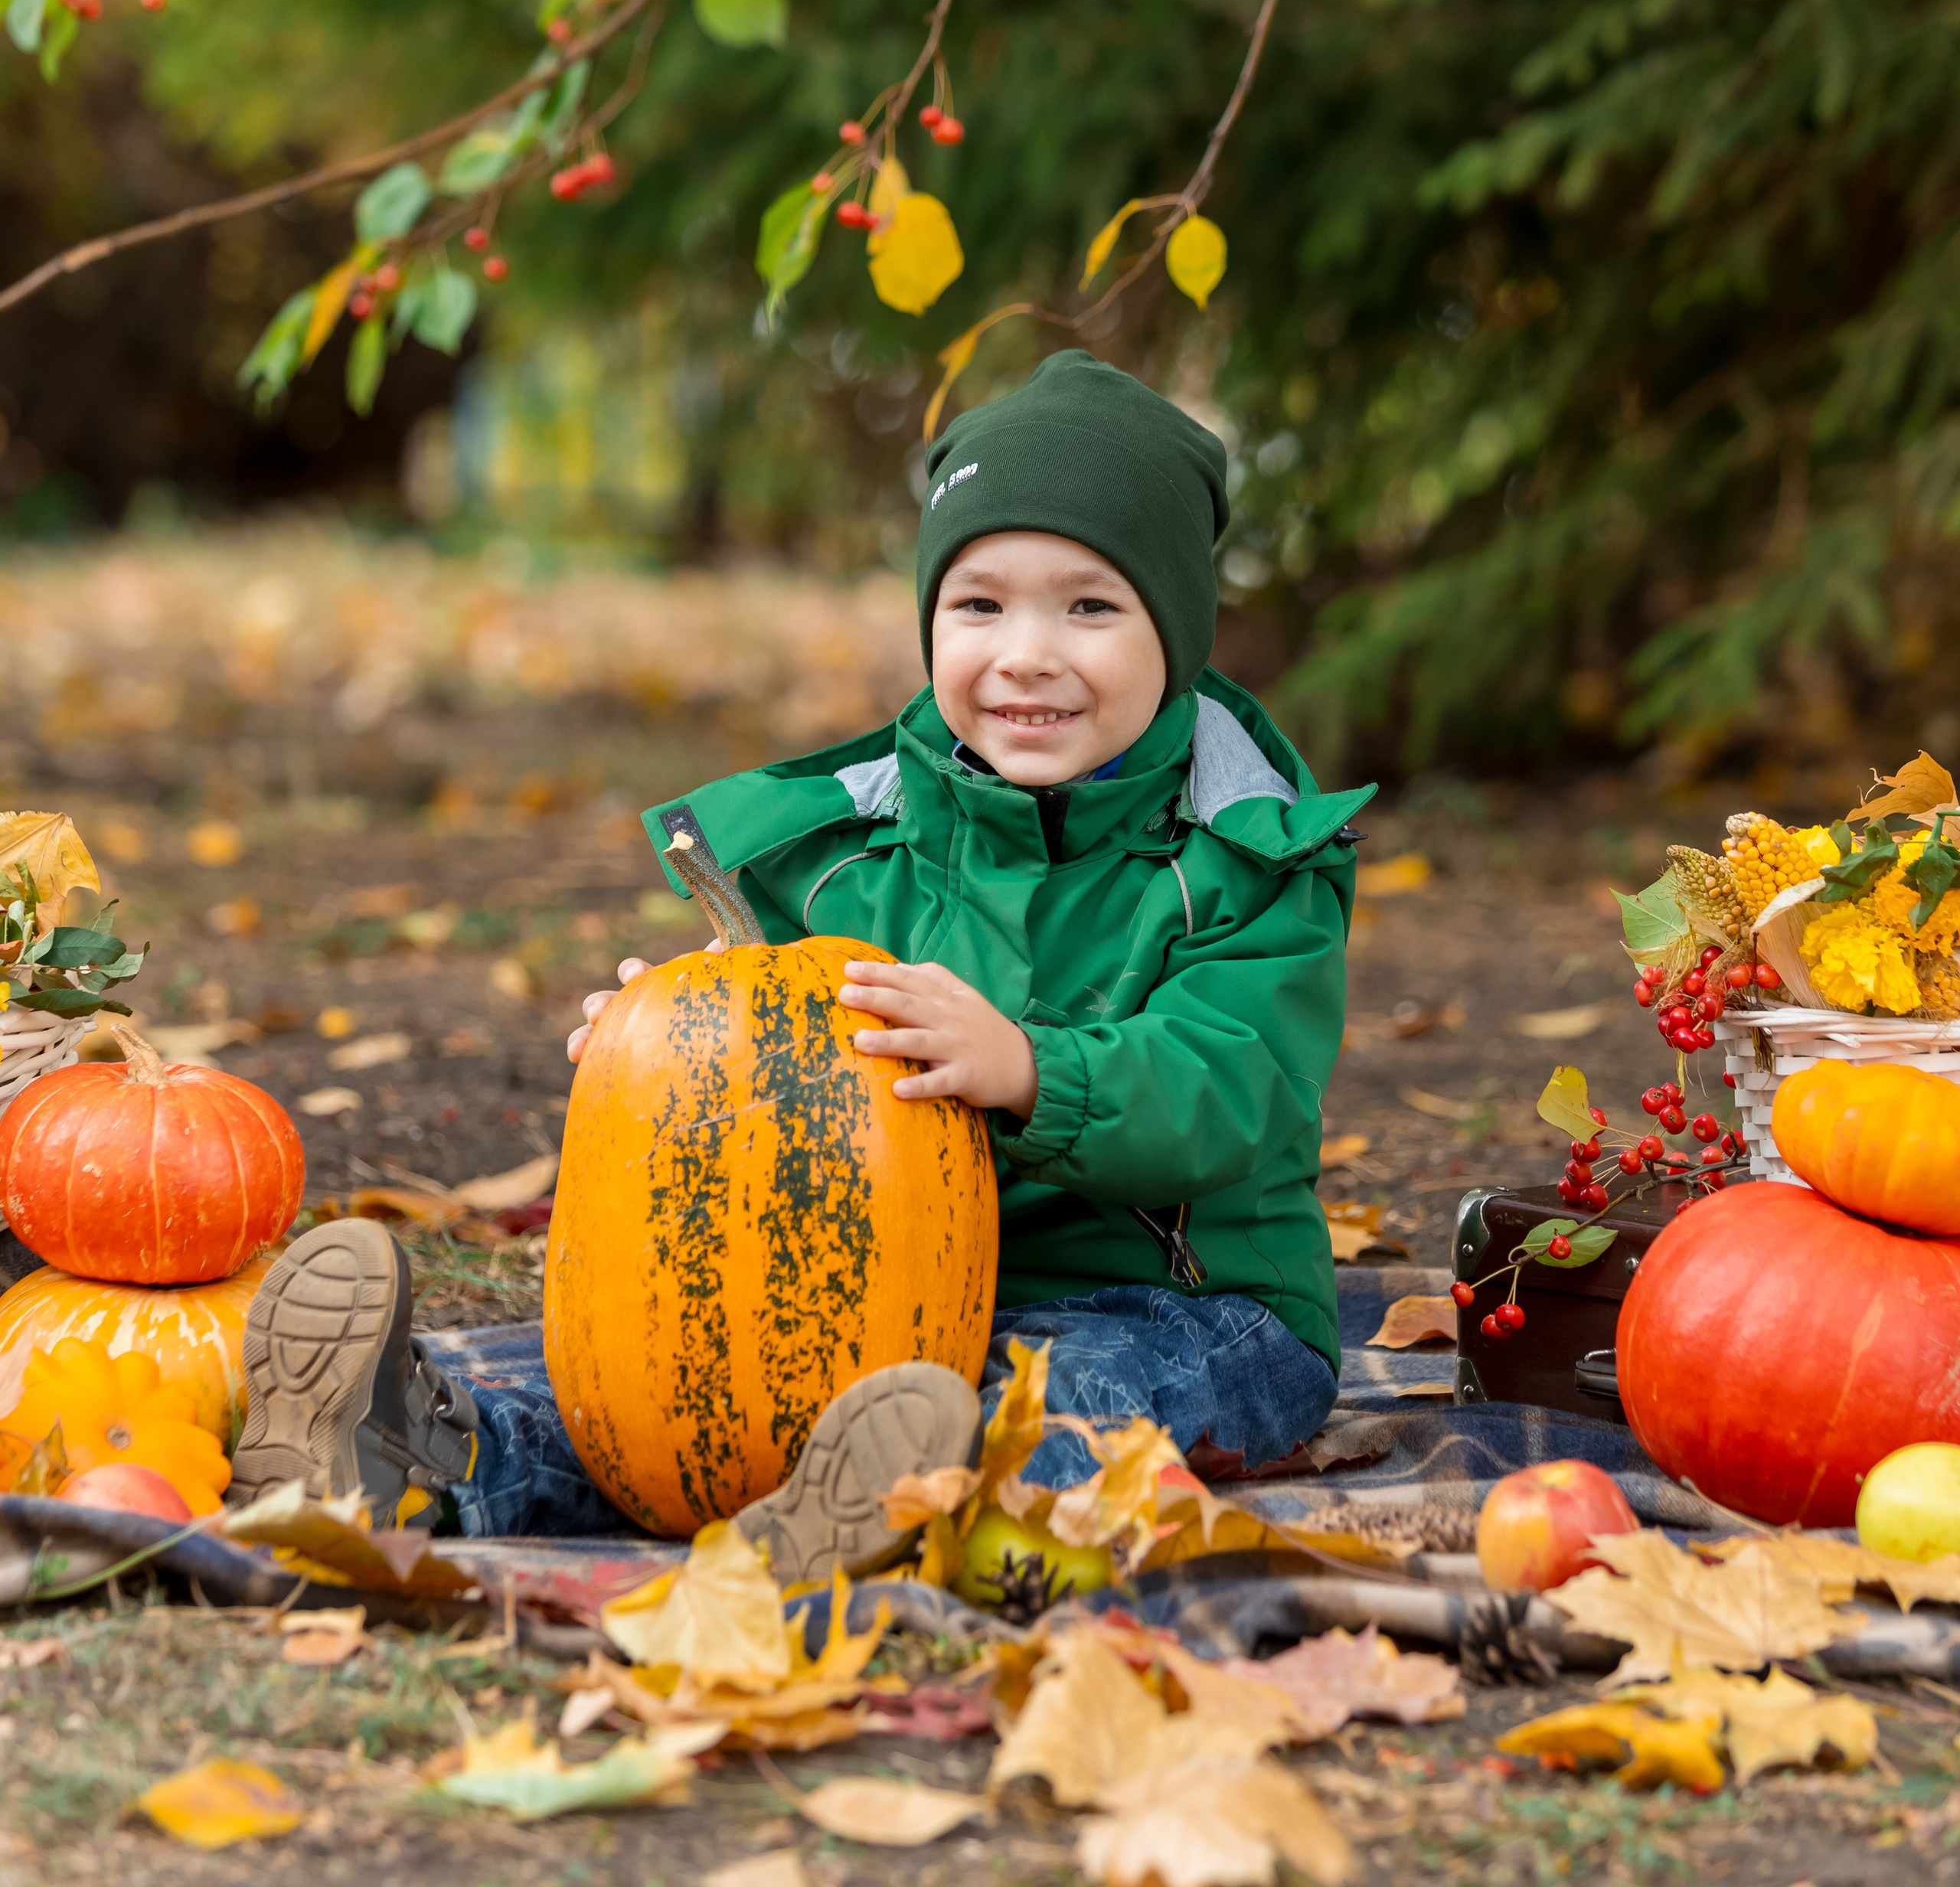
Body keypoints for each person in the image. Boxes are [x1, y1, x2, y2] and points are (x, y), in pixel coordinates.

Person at [228, 351, 1372, 1580]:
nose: (1025, 655)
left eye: (1090, 608)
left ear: (1179, 634)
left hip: (1190, 1310)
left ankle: (885, 1508)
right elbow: (776, 1074)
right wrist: (663, 1057)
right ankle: (425, 1459)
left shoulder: (1250, 855)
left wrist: (1027, 1068)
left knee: (1065, 1410)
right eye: (978, 606)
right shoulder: (846, 858)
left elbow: (1230, 1092)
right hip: (899, 1309)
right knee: (674, 1398)